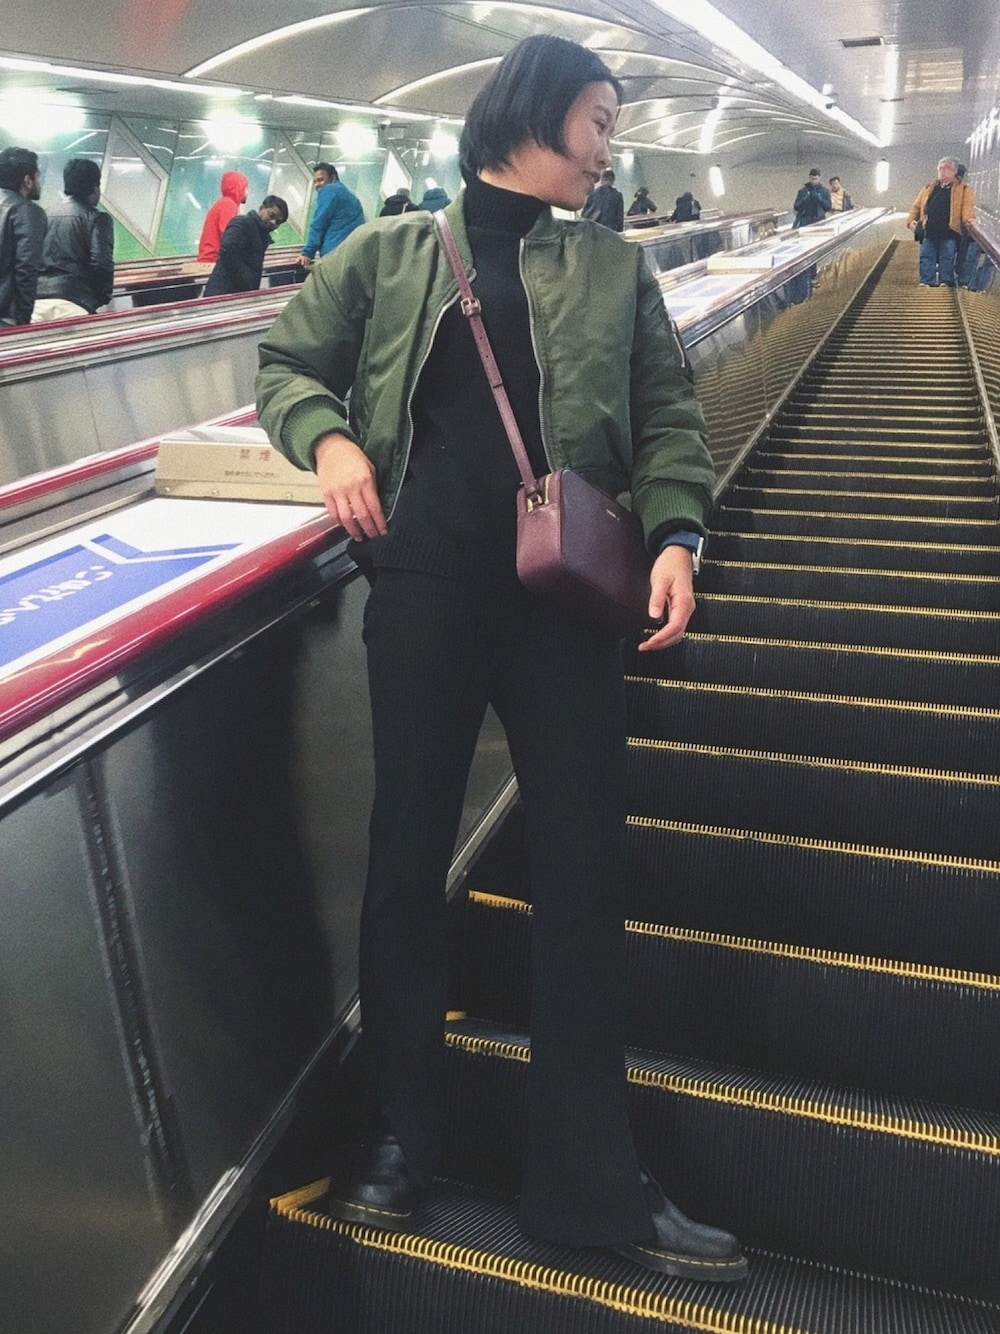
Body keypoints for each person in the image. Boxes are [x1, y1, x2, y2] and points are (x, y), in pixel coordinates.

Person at [256, 32, 746, 1285]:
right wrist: (328, 441)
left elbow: (668, 413)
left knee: (583, 869)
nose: (606, 147)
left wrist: (678, 534)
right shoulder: (390, 253)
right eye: (596, 119)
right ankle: (396, 1138)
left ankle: (589, 1178)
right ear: (533, 113)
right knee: (405, 859)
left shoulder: (613, 267)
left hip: (562, 596)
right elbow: (287, 362)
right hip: (424, 583)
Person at [33, 157, 114, 319]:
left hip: (37, 302)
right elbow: (101, 263)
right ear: (95, 188)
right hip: (74, 302)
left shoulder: (44, 215)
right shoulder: (97, 218)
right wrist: (101, 297)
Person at [906, 157, 975, 288]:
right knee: (926, 256)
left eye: (946, 168)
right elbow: (916, 207)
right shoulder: (929, 188)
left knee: (947, 257)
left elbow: (967, 207)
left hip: (950, 230)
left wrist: (968, 220)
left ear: (954, 171)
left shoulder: (964, 189)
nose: (942, 171)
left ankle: (946, 282)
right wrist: (910, 221)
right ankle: (926, 281)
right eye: (940, 168)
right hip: (930, 229)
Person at [202, 195, 288, 297]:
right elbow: (227, 249)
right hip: (222, 294)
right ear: (261, 208)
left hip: (237, 294)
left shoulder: (261, 235)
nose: (273, 222)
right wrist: (245, 281)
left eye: (278, 222)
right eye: (271, 215)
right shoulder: (242, 223)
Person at [0, 146, 47, 328]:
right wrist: (23, 322)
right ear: (27, 180)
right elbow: (26, 268)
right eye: (37, 176)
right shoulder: (27, 211)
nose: (39, 182)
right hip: (6, 315)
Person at [299, 163, 364, 268]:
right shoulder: (352, 197)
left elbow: (319, 223)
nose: (317, 185)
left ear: (333, 178)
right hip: (353, 254)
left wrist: (308, 252)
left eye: (320, 180)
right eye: (315, 181)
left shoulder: (330, 190)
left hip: (334, 255)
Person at [197, 171, 248, 263]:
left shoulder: (224, 203)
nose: (247, 192)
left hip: (210, 259)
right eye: (246, 187)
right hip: (213, 261)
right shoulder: (229, 205)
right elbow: (229, 237)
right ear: (238, 188)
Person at [581, 167, 624, 231]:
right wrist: (620, 231)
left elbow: (584, 213)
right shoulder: (618, 195)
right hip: (610, 230)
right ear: (613, 180)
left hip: (594, 229)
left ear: (602, 180)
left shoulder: (593, 194)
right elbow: (619, 217)